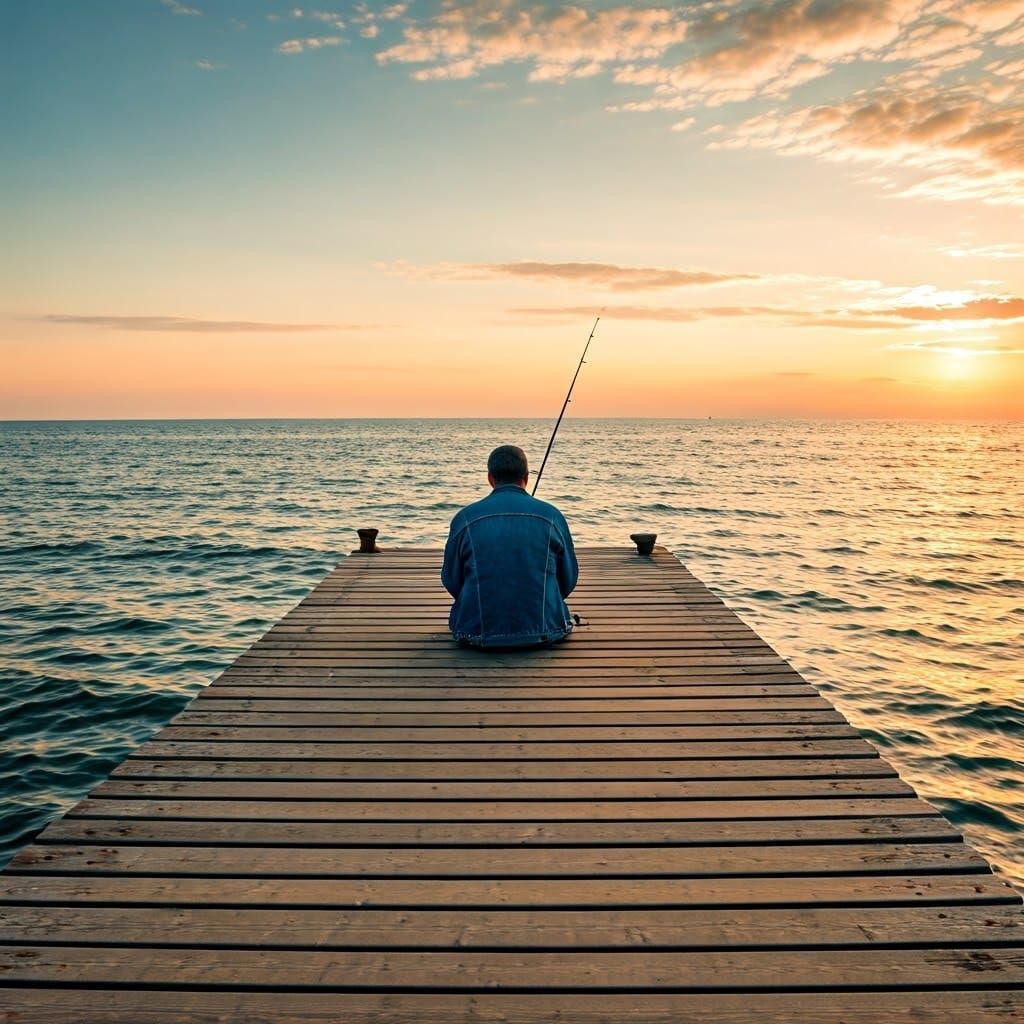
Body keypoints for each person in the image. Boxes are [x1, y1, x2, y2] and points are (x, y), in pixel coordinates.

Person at [441, 444, 578, 649]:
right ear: (526, 477)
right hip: (545, 630)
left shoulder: (464, 518)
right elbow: (568, 579)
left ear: (490, 478)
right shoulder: (552, 516)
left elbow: (452, 580)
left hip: (476, 632)